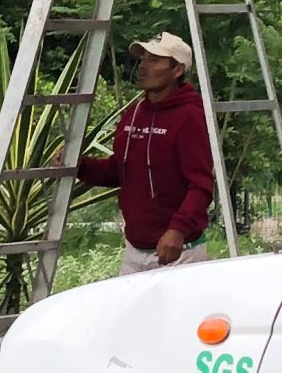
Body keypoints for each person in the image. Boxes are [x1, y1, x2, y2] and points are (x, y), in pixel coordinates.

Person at [76, 31, 216, 274]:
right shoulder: (135, 111)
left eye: (154, 60)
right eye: (142, 59)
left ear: (177, 70)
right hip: (134, 250)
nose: (142, 66)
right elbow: (121, 169)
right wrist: (81, 167)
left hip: (179, 252)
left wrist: (178, 230)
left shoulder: (190, 116)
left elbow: (201, 184)